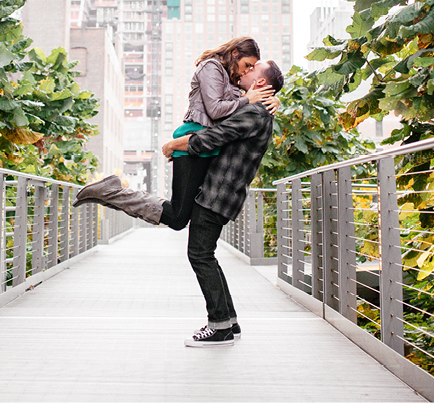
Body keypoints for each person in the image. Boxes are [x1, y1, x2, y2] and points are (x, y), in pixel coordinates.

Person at [76, 59, 284, 347]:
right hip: (222, 194)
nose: (245, 72)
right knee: (205, 254)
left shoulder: (255, 113)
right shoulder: (257, 109)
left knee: (200, 255)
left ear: (260, 82)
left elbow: (214, 137)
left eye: (252, 70)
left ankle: (220, 327)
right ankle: (228, 322)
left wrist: (174, 144)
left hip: (217, 195)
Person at [160, 36, 276, 230]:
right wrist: (247, 99)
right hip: (194, 138)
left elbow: (239, 109)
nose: (247, 71)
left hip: (207, 145)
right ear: (235, 53)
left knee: (182, 216)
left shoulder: (232, 78)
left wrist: (273, 100)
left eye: (251, 68)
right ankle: (118, 194)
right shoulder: (211, 67)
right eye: (247, 65)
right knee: (178, 217)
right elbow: (215, 110)